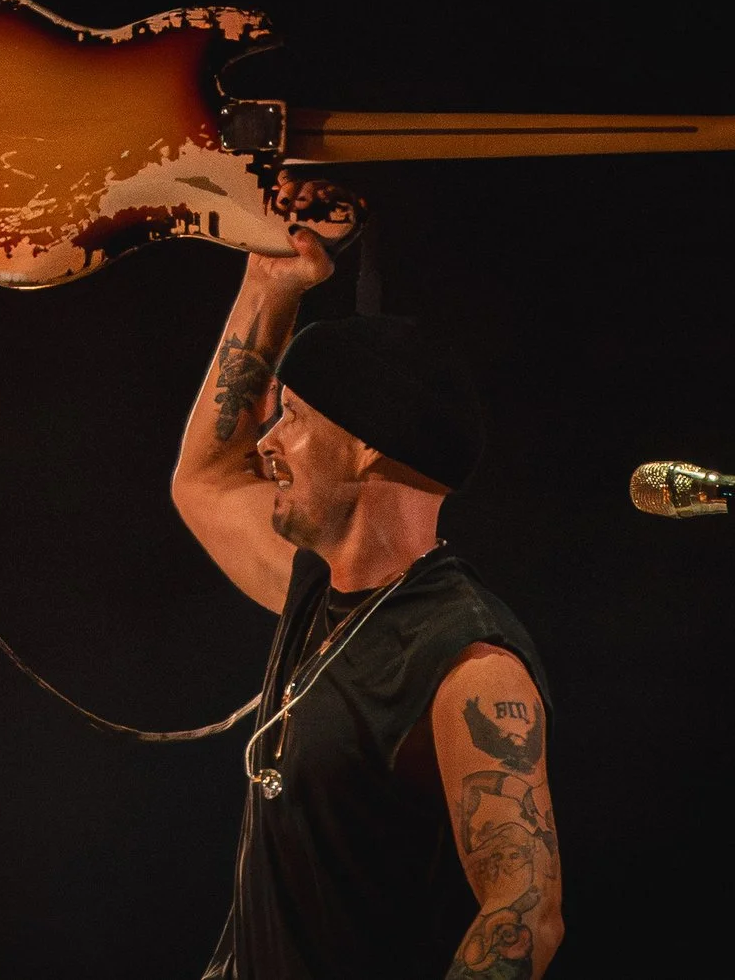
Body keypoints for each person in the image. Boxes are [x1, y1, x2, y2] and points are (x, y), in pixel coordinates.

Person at [172, 228, 564, 980]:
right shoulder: (318, 585)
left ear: (366, 445)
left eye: (293, 417)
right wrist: (272, 284)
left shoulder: (467, 661)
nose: (267, 442)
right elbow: (206, 479)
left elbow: (524, 913)